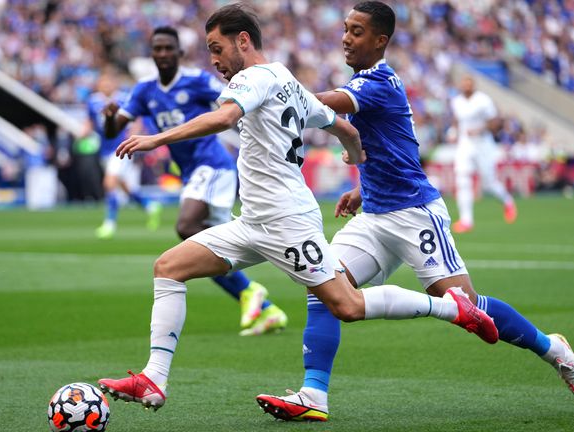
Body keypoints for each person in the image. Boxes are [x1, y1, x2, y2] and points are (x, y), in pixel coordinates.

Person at [97, 3, 497, 412]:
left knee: (347, 305)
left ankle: (450, 307)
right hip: (254, 222)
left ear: (244, 41)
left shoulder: (251, 78)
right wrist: (356, 155)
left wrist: (154, 139)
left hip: (288, 222)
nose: (214, 59)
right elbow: (339, 124)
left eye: (217, 48)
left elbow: (224, 118)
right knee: (168, 268)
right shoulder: (285, 78)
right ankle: (154, 379)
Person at [256, 1, 574, 422]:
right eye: (345, 28)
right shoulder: (366, 81)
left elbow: (323, 104)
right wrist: (362, 190)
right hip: (375, 217)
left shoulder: (378, 82)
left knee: (465, 305)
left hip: (416, 215)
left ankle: (553, 349)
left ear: (381, 41)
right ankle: (314, 394)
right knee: (324, 286)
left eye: (357, 31)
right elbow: (397, 147)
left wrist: (272, 93)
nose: (345, 37)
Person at [103, 26, 289, 336]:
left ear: (179, 53)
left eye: (168, 48)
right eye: (157, 49)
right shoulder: (145, 89)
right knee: (211, 248)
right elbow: (111, 131)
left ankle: (251, 290)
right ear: (152, 54)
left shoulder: (197, 81)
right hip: (193, 175)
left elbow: (232, 107)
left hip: (213, 166)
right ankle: (267, 310)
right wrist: (110, 117)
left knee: (187, 227)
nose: (162, 54)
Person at [88, 68, 162, 236]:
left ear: (114, 83)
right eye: (102, 82)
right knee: (124, 187)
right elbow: (90, 121)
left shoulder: (123, 98)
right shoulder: (93, 101)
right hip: (104, 149)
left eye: (108, 82)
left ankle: (109, 223)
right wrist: (83, 132)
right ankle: (149, 205)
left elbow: (137, 117)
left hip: (121, 147)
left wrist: (134, 133)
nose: (105, 85)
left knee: (109, 183)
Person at [448, 75, 517, 233]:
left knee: (488, 182)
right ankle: (466, 220)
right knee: (462, 178)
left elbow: (495, 121)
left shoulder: (483, 100)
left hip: (483, 143)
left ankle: (507, 200)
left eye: (469, 83)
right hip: (465, 143)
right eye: (463, 83)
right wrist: (453, 132)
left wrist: (480, 129)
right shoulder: (457, 101)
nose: (466, 86)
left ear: (474, 85)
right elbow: (457, 120)